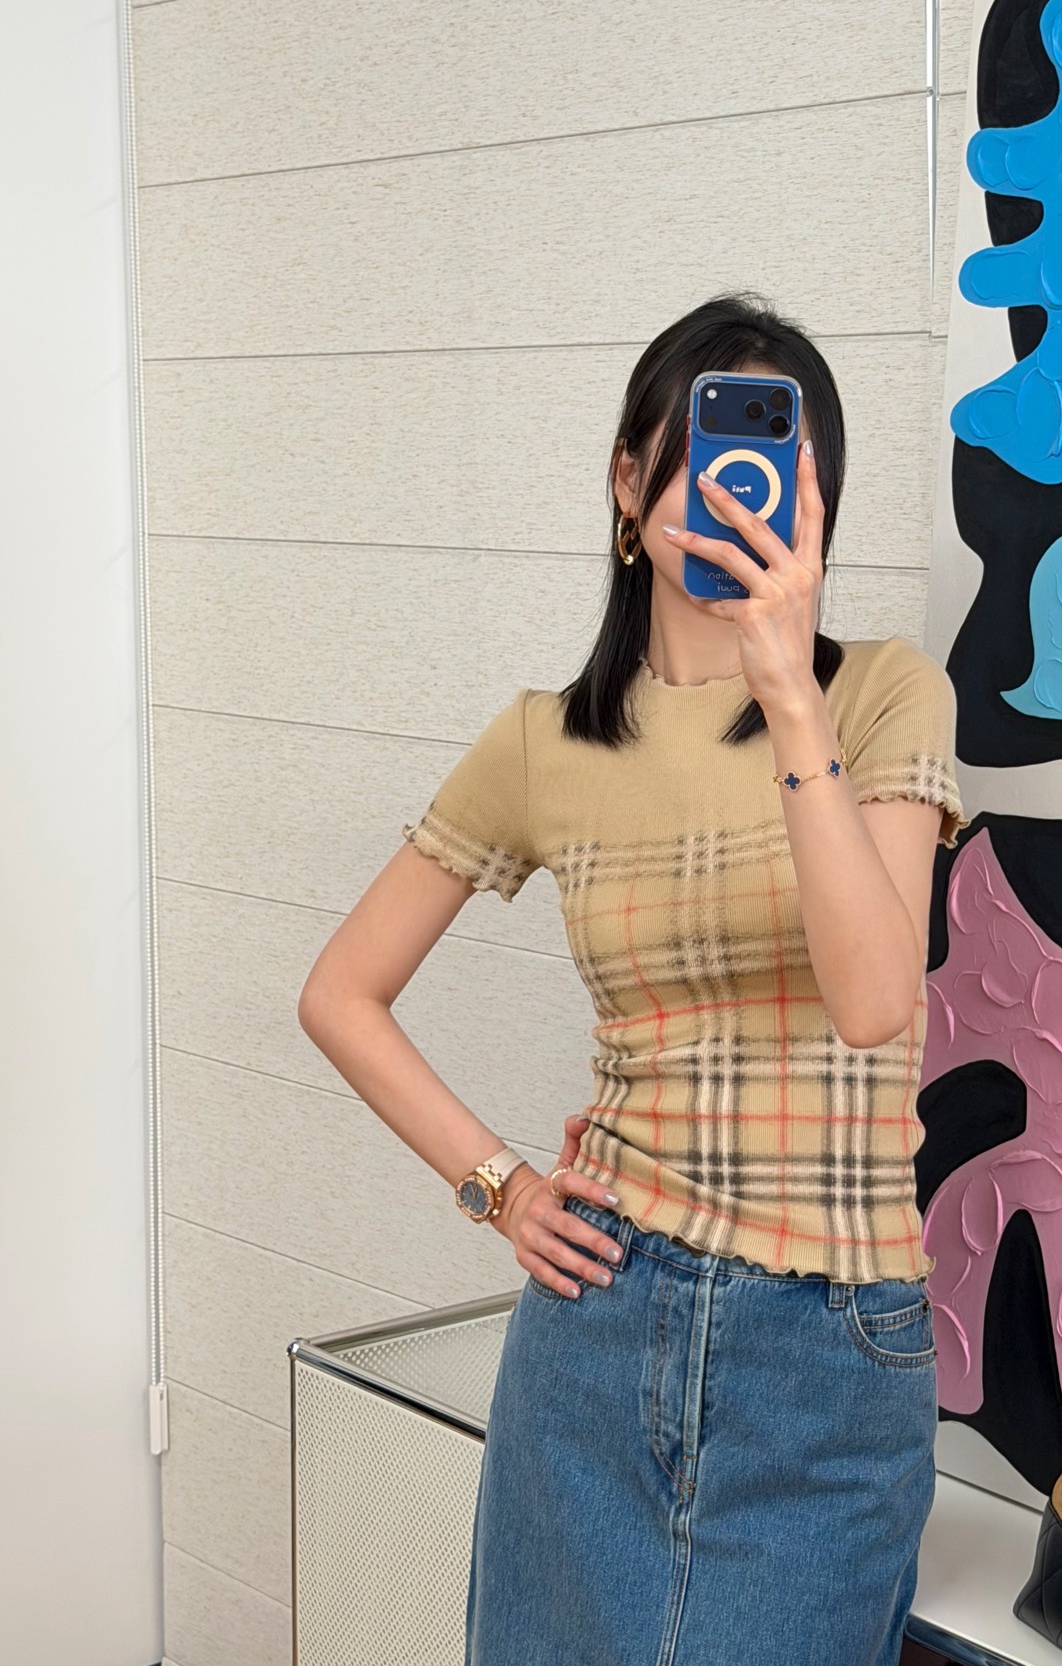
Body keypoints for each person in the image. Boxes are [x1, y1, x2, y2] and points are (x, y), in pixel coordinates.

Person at [297, 294, 966, 1665]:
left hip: (827, 1359)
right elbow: (341, 993)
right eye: (708, 446)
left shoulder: (885, 695)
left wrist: (790, 693)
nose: (735, 486)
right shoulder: (543, 741)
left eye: (776, 458)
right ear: (628, 478)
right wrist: (502, 1188)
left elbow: (873, 1001)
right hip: (597, 1328)